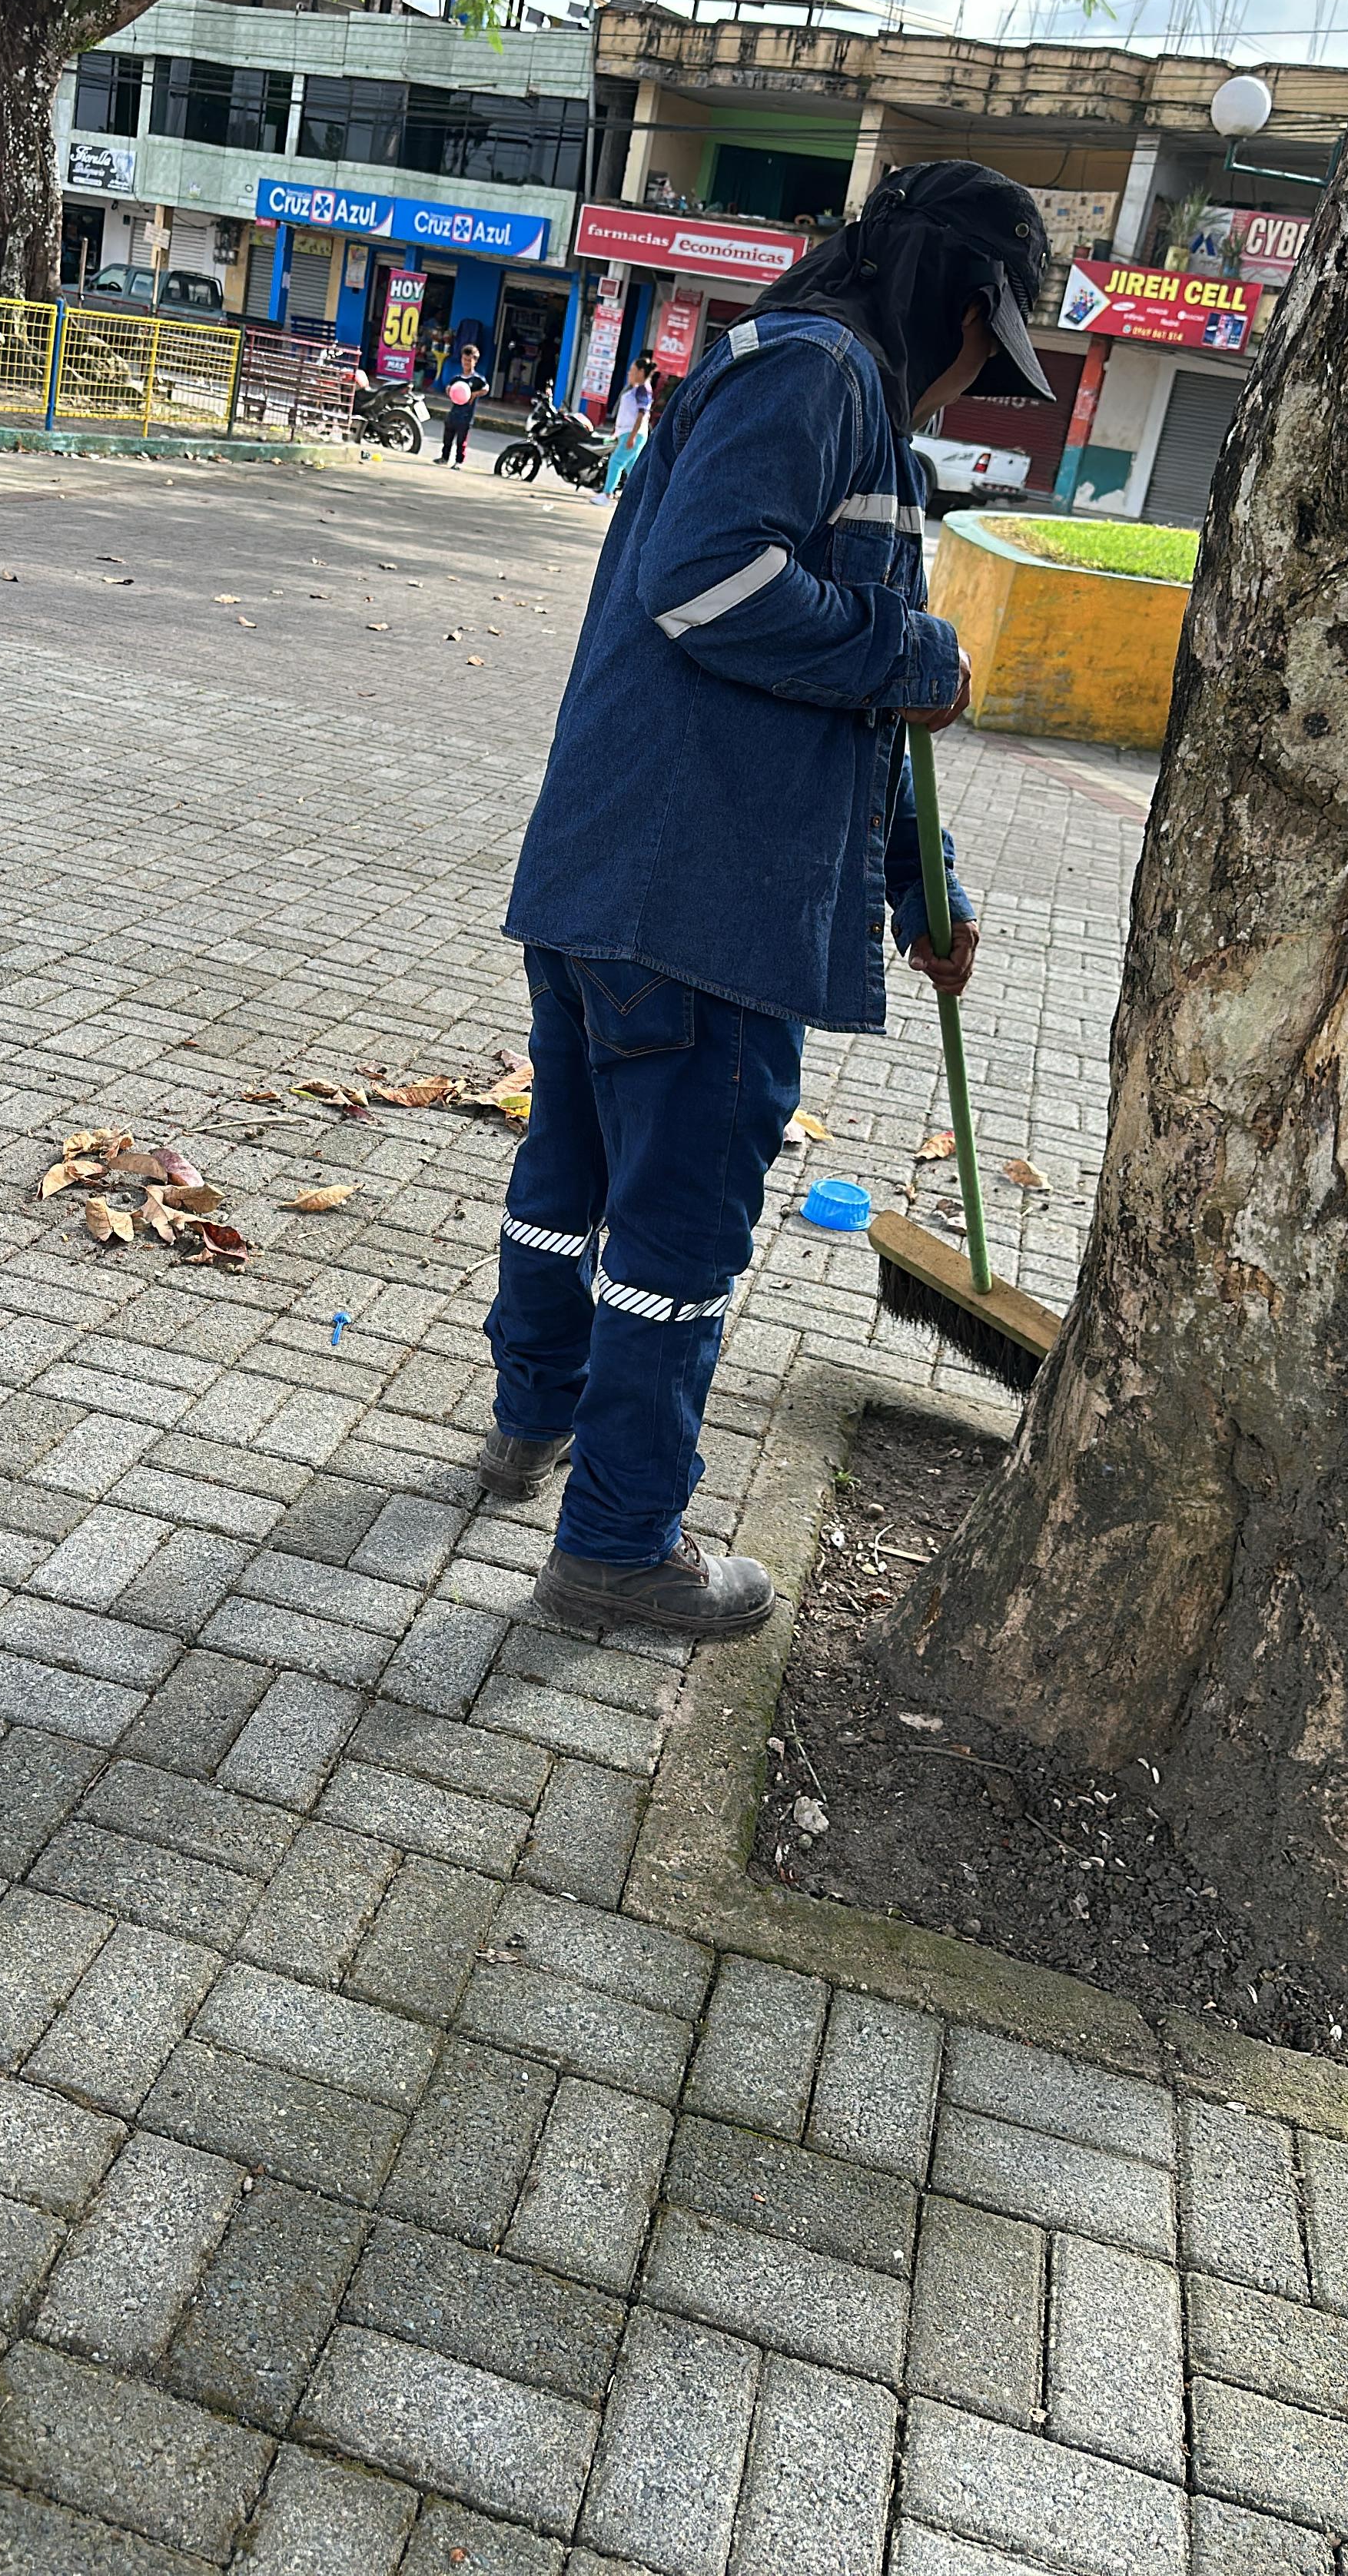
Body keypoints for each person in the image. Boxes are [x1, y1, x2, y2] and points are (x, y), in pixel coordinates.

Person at [476, 161, 1053, 1642]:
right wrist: (918, 655)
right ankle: (617, 1547)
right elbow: (714, 588)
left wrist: (925, 886)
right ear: (962, 307)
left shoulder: (803, 380)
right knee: (676, 1248)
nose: (977, 383)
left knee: (566, 1186)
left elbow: (833, 709)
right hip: (706, 910)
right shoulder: (820, 377)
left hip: (610, 875)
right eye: (989, 349)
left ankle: (532, 1424)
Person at [592, 354, 655, 503]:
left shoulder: (643, 390)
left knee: (616, 462)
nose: (629, 373)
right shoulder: (636, 389)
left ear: (641, 372)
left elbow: (641, 415)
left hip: (633, 434)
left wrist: (632, 436)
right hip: (628, 433)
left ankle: (607, 495)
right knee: (632, 468)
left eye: (632, 370)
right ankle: (641, 497)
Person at [436, 344, 489, 467]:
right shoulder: (457, 378)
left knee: (461, 441)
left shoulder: (477, 379)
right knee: (447, 437)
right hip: (454, 413)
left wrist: (475, 394)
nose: (466, 363)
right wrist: (449, 390)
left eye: (469, 360)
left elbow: (486, 388)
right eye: (465, 359)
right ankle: (444, 458)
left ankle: (459, 462)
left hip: (466, 415)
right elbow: (449, 387)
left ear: (475, 361)